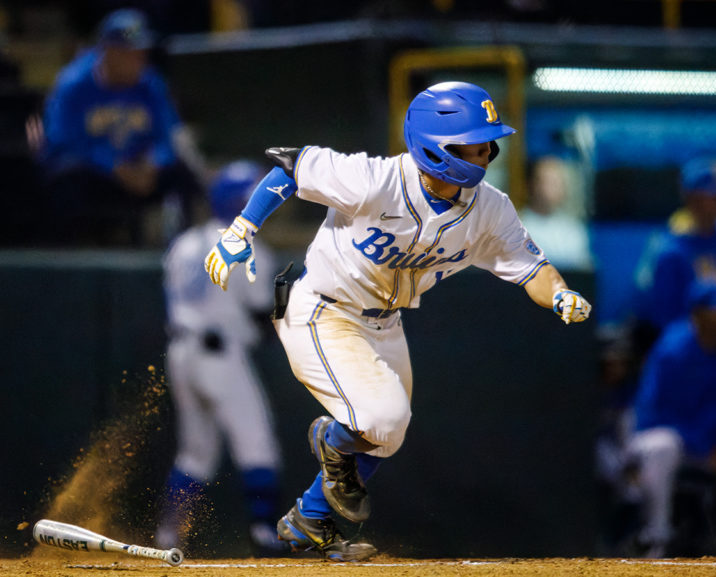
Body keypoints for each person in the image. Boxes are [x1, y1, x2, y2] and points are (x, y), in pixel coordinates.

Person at [202, 81, 592, 561]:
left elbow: (530, 266)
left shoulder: (490, 208)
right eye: (472, 141)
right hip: (324, 309)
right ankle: (329, 439)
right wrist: (243, 227)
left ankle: (308, 521)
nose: (486, 150)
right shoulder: (376, 179)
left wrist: (559, 294)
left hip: (385, 322)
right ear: (434, 146)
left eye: (488, 141)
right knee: (381, 419)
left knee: (386, 438)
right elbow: (292, 163)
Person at [155, 160, 284, 555]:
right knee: (257, 446)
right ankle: (264, 534)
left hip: (181, 353)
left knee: (196, 455)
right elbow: (264, 315)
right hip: (220, 356)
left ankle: (167, 537)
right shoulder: (249, 247)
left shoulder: (184, 243)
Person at [625, 280, 716, 558]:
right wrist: (709, 451)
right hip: (669, 444)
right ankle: (656, 538)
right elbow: (655, 415)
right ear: (698, 314)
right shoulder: (672, 351)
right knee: (663, 446)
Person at [39, 8, 203, 247]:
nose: (139, 60)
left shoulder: (150, 82)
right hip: (95, 175)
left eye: (141, 53)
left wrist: (154, 162)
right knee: (66, 177)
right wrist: (112, 165)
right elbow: (59, 142)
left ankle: (184, 249)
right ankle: (72, 249)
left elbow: (169, 136)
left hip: (140, 171)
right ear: (109, 51)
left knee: (182, 172)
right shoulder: (74, 84)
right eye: (131, 53)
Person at [633, 158, 716, 359]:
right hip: (690, 359)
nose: (708, 207)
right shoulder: (671, 251)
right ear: (688, 199)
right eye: (700, 199)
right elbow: (665, 316)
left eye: (715, 198)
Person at [519, 155, 593, 270]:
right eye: (548, 182)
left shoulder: (574, 230)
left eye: (558, 182)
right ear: (532, 185)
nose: (555, 188)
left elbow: (583, 274)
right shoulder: (516, 227)